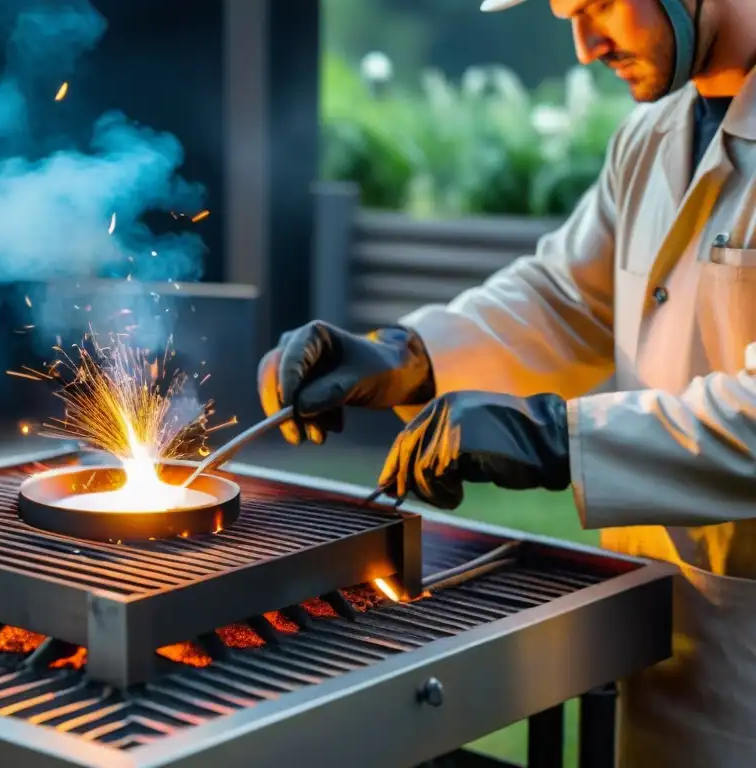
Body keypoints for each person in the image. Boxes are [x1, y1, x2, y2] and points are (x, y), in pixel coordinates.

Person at [257, 0, 756, 765]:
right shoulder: (655, 133)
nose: (587, 45)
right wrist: (405, 356)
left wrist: (556, 437)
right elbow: (568, 296)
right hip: (667, 630)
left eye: (597, 4)